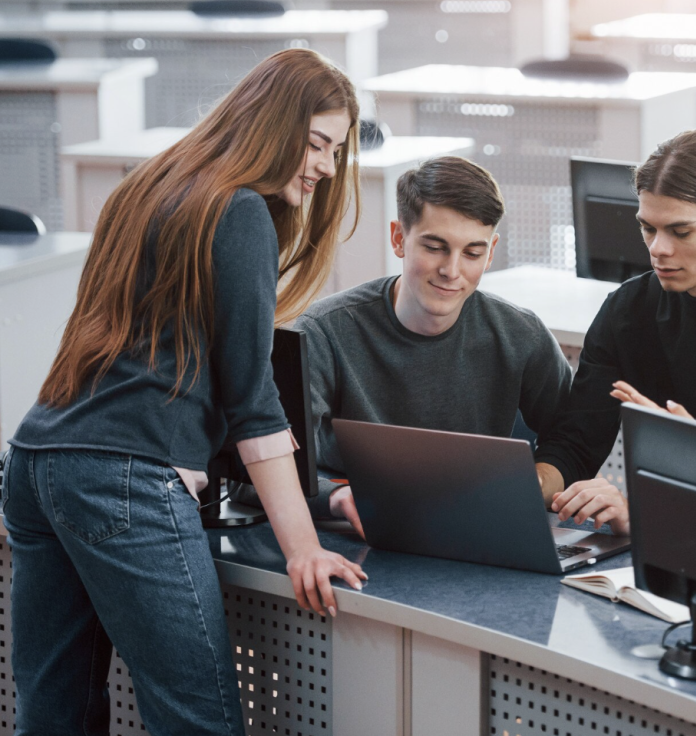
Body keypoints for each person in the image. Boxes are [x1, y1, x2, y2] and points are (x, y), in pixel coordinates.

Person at [0, 49, 368, 735]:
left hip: (35, 461)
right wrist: (303, 547)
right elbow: (252, 402)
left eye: (336, 151)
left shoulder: (147, 185)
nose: (325, 166)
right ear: (273, 124)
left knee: (52, 718)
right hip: (122, 479)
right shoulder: (239, 211)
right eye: (317, 143)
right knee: (199, 722)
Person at [271, 156, 573, 530]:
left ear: (491, 252)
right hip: (354, 529)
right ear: (399, 238)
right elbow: (255, 471)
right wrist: (336, 498)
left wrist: (535, 483)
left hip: (472, 525)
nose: (451, 271)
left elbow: (572, 439)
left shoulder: (521, 335)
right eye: (434, 247)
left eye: (473, 253)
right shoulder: (324, 331)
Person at [544, 128, 696, 534]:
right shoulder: (627, 310)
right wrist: (531, 483)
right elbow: (576, 444)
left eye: (680, 232)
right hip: (665, 537)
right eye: (648, 228)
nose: (657, 248)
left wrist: (650, 500)